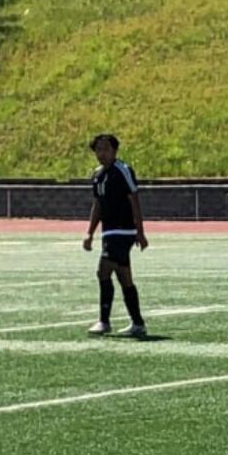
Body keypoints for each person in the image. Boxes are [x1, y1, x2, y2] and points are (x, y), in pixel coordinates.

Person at [83, 134, 149, 337]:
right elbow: (97, 205)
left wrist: (140, 231)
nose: (102, 154)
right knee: (124, 277)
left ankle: (104, 321)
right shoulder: (97, 175)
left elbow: (134, 199)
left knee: (103, 271)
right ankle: (138, 323)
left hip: (123, 231)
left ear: (115, 151)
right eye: (98, 150)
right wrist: (90, 233)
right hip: (108, 231)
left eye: (106, 149)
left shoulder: (123, 170)